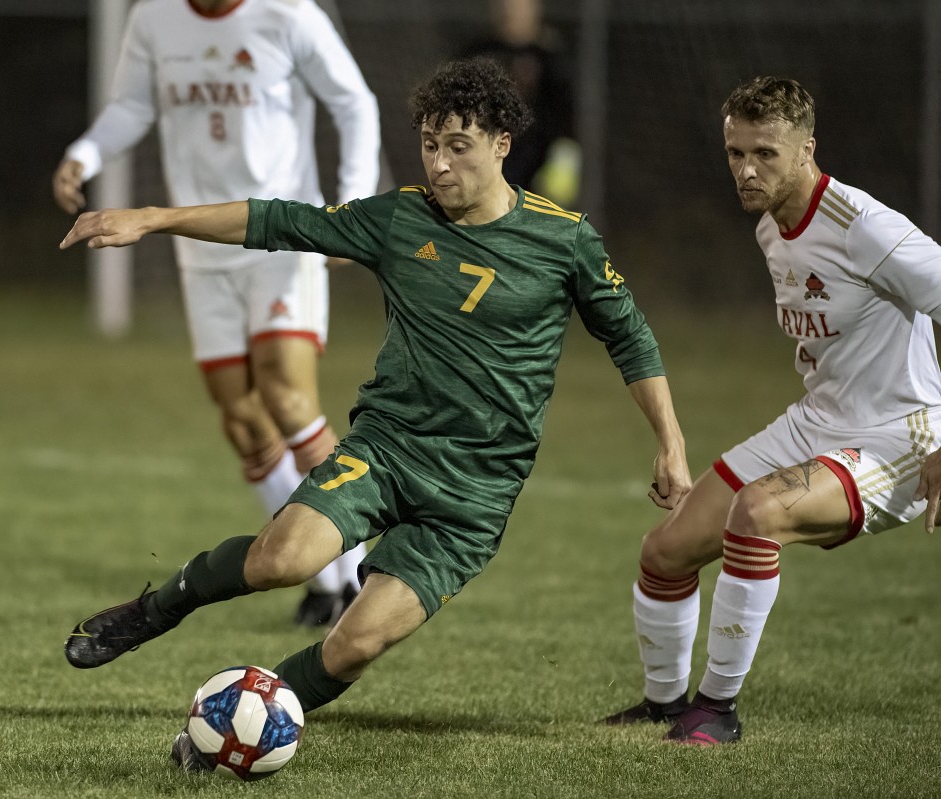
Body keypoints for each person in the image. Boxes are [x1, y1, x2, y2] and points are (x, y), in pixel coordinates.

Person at [58, 56, 692, 769]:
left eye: (458, 146)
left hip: (476, 493)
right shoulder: (399, 219)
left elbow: (629, 336)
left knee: (354, 645)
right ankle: (155, 610)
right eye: (429, 144)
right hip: (388, 449)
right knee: (282, 560)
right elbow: (278, 220)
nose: (439, 163)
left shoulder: (563, 238)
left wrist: (669, 443)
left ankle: (237, 731)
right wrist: (154, 218)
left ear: (502, 145)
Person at [602, 76, 941, 745]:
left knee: (757, 513)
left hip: (899, 436)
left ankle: (716, 709)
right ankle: (663, 702)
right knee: (666, 551)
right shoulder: (770, 227)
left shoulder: (864, 227)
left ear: (807, 149)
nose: (746, 170)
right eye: (735, 153)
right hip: (817, 420)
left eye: (765, 153)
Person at [52, 0, 382, 626]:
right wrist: (84, 155)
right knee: (243, 421)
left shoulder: (289, 14)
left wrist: (352, 206)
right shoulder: (153, 18)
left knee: (287, 398)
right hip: (202, 250)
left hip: (284, 235)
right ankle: (321, 579)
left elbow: (354, 101)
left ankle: (354, 578)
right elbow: (133, 104)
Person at [461, 0, 580, 207]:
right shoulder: (478, 53)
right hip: (489, 155)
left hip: (538, 160)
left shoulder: (551, 59)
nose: (513, 10)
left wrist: (564, 158)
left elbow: (565, 114)